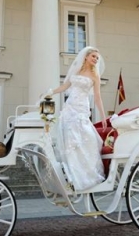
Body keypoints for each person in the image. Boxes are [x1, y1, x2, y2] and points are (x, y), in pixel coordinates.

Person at [43, 46, 107, 190]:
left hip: (81, 108)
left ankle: (87, 174)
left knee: (85, 137)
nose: (96, 59)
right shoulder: (76, 70)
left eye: (97, 58)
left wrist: (103, 116)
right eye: (93, 56)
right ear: (86, 57)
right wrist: (50, 92)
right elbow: (65, 86)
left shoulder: (95, 75)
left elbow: (97, 97)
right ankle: (72, 174)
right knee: (70, 140)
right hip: (69, 107)